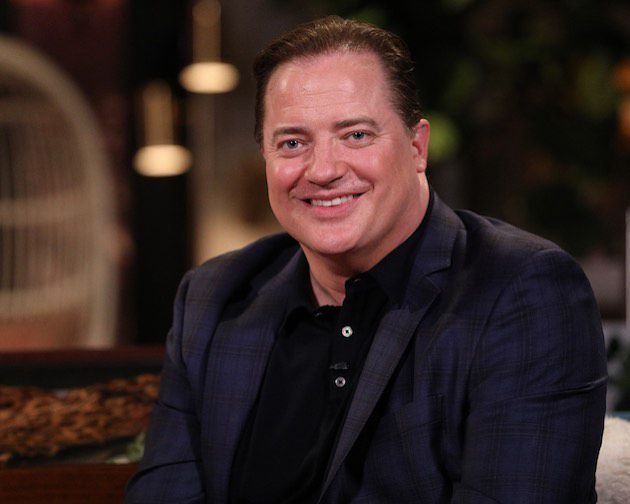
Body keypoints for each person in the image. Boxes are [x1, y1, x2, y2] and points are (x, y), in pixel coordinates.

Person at [126, 16, 607, 504]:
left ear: (417, 148)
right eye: (292, 143)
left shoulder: (521, 293)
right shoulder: (214, 297)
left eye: (355, 135)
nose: (323, 170)